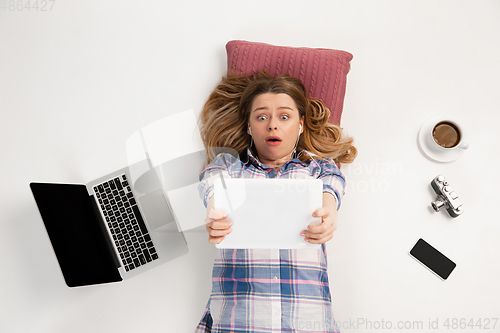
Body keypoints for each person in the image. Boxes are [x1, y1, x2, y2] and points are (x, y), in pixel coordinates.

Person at [194, 70, 357, 332]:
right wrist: (214, 209)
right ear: (249, 126)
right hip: (239, 322)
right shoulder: (229, 167)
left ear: (301, 124)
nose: (272, 125)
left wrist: (328, 209)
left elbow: (332, 182)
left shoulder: (316, 168)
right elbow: (211, 182)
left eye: (284, 116)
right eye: (261, 117)